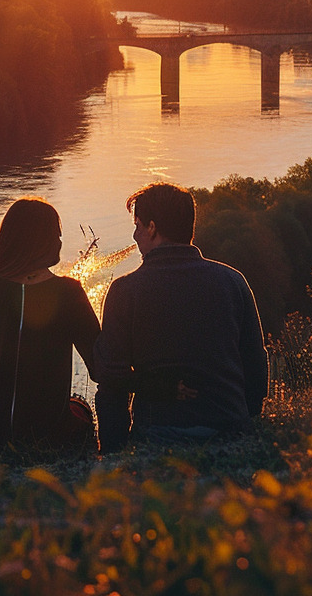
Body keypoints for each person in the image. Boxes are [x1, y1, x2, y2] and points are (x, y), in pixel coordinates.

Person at [95, 182, 268, 451]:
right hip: (231, 427)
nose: (134, 235)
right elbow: (255, 361)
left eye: (138, 225)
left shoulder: (124, 290)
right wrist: (245, 419)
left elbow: (111, 380)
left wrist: (113, 450)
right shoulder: (233, 281)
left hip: (159, 432)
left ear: (152, 228)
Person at [0, 197, 101, 461]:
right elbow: (100, 367)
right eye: (56, 235)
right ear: (39, 242)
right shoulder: (68, 292)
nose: (60, 242)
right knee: (81, 409)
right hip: (50, 433)